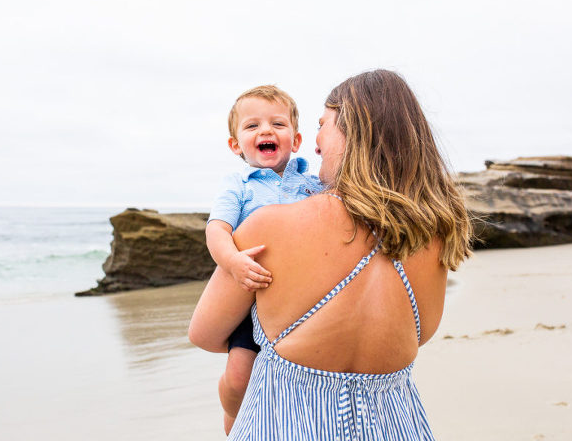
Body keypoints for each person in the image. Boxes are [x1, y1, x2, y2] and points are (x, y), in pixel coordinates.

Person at [190, 69, 472, 440]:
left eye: (322, 125)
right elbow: (421, 335)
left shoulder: (268, 225)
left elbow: (206, 334)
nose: (316, 141)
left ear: (353, 133)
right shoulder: (433, 235)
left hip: (282, 424)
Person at [205, 84, 323, 434]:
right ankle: (232, 414)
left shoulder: (313, 184)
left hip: (297, 298)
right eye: (252, 126)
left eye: (278, 124)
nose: (266, 131)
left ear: (297, 140)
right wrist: (233, 263)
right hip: (250, 292)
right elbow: (216, 230)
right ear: (235, 145)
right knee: (240, 375)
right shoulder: (238, 185)